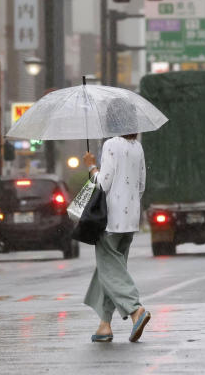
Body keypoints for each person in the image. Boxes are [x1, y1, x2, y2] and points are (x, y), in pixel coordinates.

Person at [81, 98, 150, 343]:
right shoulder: (137, 147)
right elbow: (141, 185)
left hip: (109, 220)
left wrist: (91, 167)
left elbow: (103, 183)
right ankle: (104, 326)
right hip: (131, 219)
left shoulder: (111, 144)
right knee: (110, 271)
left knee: (111, 270)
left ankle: (135, 309)